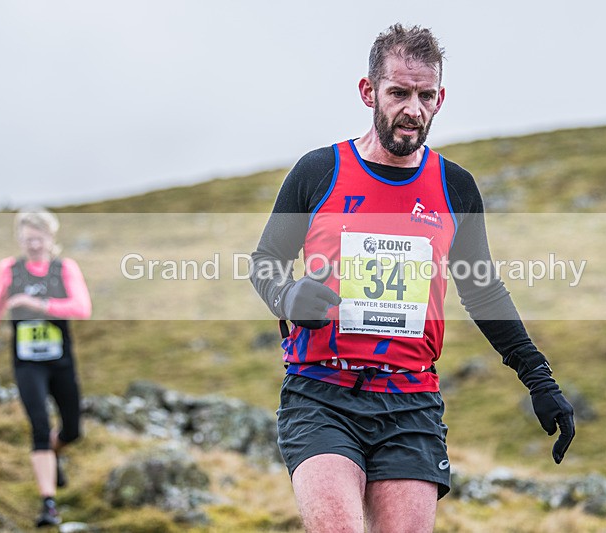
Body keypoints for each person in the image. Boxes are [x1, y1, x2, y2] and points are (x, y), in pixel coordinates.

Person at [250, 24, 575, 532]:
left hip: (410, 403)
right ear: (368, 92)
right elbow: (265, 260)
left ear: (440, 98)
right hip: (320, 394)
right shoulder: (319, 171)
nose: (413, 109)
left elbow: (482, 288)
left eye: (425, 96)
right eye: (399, 93)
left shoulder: (455, 187)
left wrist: (540, 379)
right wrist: (287, 294)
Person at [0, 208, 92, 528]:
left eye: (38, 239)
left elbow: (82, 308)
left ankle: (55, 453)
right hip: (27, 364)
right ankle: (48, 505)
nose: (33, 245)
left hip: (61, 362)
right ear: (19, 239)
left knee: (73, 430)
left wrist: (39, 304)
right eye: (27, 239)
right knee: (39, 426)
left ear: (51, 238)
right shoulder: (10, 269)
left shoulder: (64, 269)